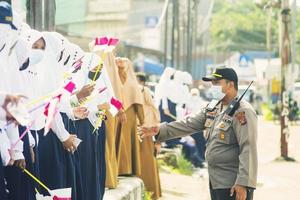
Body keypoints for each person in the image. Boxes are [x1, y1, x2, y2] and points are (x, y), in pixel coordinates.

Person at [140, 67, 258, 200]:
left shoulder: (242, 112)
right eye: (212, 83)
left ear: (231, 84)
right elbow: (188, 124)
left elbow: (248, 149)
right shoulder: (214, 107)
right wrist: (160, 130)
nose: (213, 87)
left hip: (233, 182)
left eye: (217, 83)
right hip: (216, 181)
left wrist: (243, 183)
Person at [136, 72, 162, 200]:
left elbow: (154, 113)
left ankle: (150, 192)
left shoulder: (145, 92)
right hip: (138, 130)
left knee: (147, 162)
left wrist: (158, 139)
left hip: (146, 131)